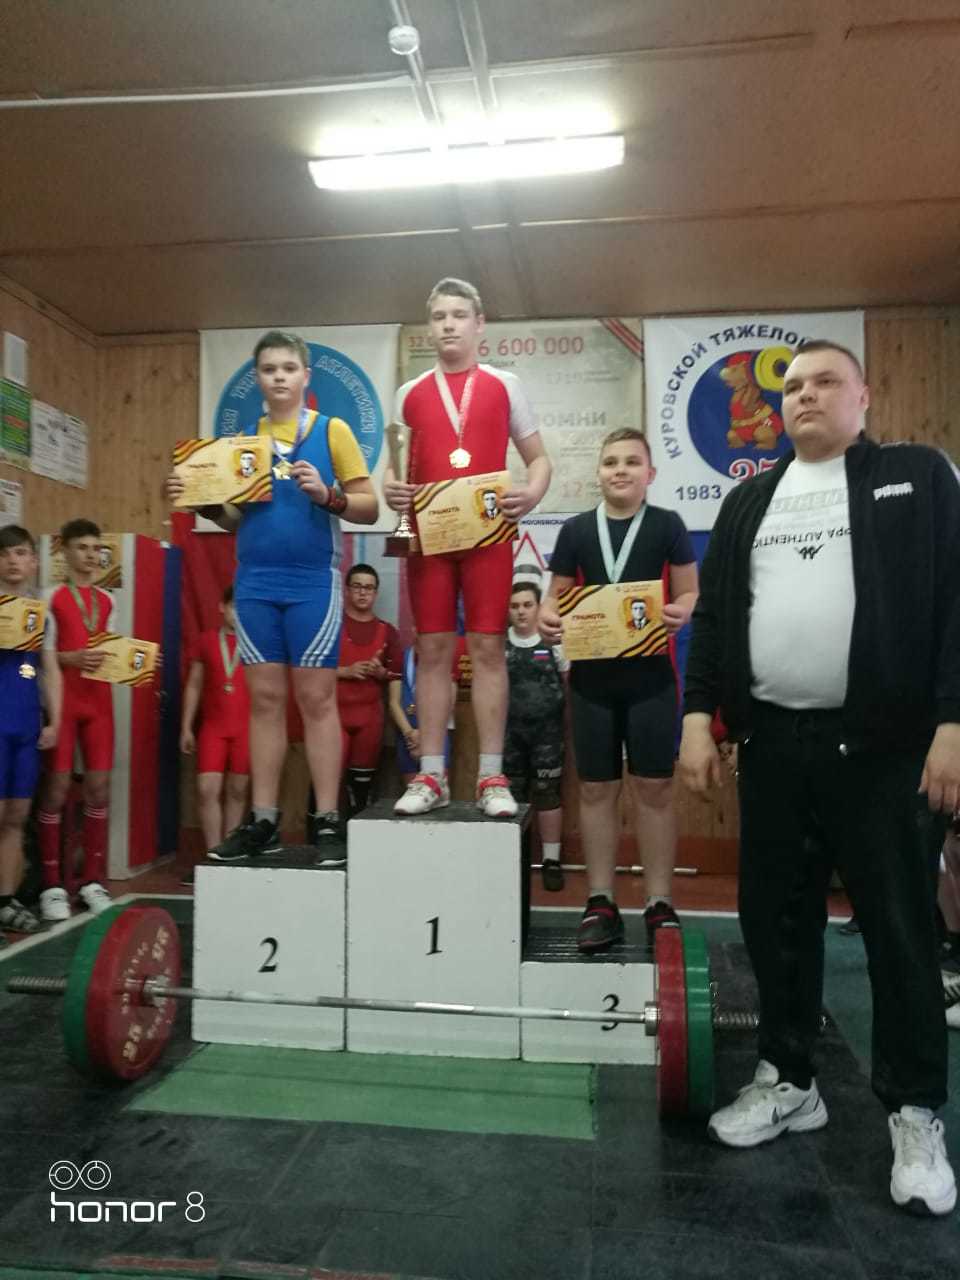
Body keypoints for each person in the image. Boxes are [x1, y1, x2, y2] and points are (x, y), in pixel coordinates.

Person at [678, 339, 958, 1216]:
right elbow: (715, 619)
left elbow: (957, 598)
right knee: (775, 923)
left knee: (900, 934)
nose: (804, 395)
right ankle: (790, 1079)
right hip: (773, 749)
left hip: (884, 750)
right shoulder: (749, 500)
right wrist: (697, 715)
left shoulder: (916, 478)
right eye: (792, 386)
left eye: (825, 381)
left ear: (864, 396)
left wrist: (954, 722)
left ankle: (915, 1111)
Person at [165, 330, 378, 861]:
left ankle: (326, 820)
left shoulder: (331, 431)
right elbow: (235, 520)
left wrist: (327, 495)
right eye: (268, 369)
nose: (279, 377)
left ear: (306, 376)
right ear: (257, 378)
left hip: (312, 582)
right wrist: (203, 504)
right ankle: (263, 820)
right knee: (263, 702)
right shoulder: (243, 443)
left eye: (288, 368)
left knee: (316, 699)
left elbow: (370, 507)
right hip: (256, 583)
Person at [384, 277, 551, 818]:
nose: (449, 325)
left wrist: (531, 494)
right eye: (439, 317)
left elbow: (539, 459)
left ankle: (490, 776)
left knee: (487, 650)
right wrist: (391, 487)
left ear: (480, 325)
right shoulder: (410, 393)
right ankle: (431, 774)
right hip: (430, 539)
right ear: (429, 327)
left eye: (459, 315)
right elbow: (391, 470)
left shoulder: (504, 384)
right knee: (432, 651)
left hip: (487, 537)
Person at [540, 428, 698, 951]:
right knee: (595, 789)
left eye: (632, 462)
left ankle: (659, 901)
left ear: (650, 473)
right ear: (599, 473)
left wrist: (682, 610)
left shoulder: (668, 525)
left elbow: (689, 591)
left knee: (655, 789)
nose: (621, 470)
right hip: (592, 682)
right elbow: (554, 598)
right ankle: (600, 900)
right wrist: (547, 617)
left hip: (652, 681)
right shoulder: (576, 530)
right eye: (611, 462)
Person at [37, 518, 115, 921]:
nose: (90, 555)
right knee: (57, 788)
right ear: (63, 550)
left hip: (99, 703)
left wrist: (136, 663)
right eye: (82, 547)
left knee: (99, 788)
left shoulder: (108, 600)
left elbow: (112, 652)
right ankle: (52, 885)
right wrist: (72, 658)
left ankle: (92, 880)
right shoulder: (49, 596)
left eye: (95, 548)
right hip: (64, 701)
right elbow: (43, 654)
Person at [0, 526, 61, 935]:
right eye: (5, 554)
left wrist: (55, 720)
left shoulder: (42, 615)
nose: (13, 561)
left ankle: (5, 901)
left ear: (34, 561)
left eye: (20, 553)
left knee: (16, 816)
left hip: (25, 727)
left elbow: (49, 669)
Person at [179, 585, 250, 874]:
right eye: (234, 607)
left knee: (237, 790)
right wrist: (186, 727)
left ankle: (229, 852)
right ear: (222, 607)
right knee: (207, 789)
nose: (238, 614)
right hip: (213, 728)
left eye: (244, 609)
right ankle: (212, 852)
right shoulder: (206, 640)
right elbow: (194, 685)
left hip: (245, 729)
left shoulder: (255, 644)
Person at [504, 582, 568, 892]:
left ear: (538, 607)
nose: (521, 611)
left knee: (547, 795)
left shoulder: (554, 642)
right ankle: (511, 859)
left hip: (548, 734)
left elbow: (568, 684)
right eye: (514, 606)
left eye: (527, 605)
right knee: (510, 797)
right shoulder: (500, 644)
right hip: (509, 736)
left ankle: (551, 862)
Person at [333, 563, 402, 818]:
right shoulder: (331, 626)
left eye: (369, 588)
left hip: (370, 718)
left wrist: (380, 673)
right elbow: (310, 671)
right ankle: (320, 836)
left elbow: (395, 677)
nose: (363, 592)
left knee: (361, 790)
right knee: (325, 783)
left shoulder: (388, 632)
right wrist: (345, 671)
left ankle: (356, 836)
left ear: (376, 593)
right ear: (347, 590)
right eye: (357, 586)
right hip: (333, 716)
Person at [389, 631, 460, 784]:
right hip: (408, 735)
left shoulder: (447, 659)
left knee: (437, 786)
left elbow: (449, 703)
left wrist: (426, 735)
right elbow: (394, 702)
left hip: (437, 734)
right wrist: (410, 734)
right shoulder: (401, 658)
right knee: (413, 791)